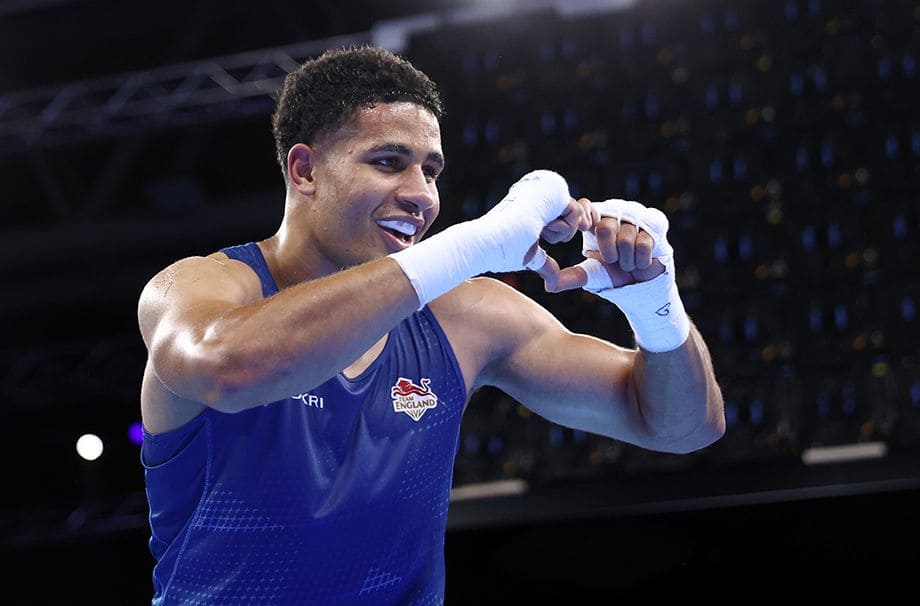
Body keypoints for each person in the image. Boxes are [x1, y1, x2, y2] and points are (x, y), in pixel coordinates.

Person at [137, 44, 725, 605]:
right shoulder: (201, 288)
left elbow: (681, 428)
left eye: (432, 171)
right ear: (305, 170)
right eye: (388, 162)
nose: (422, 195)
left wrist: (655, 305)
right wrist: (474, 244)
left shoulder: (466, 316)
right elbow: (227, 368)